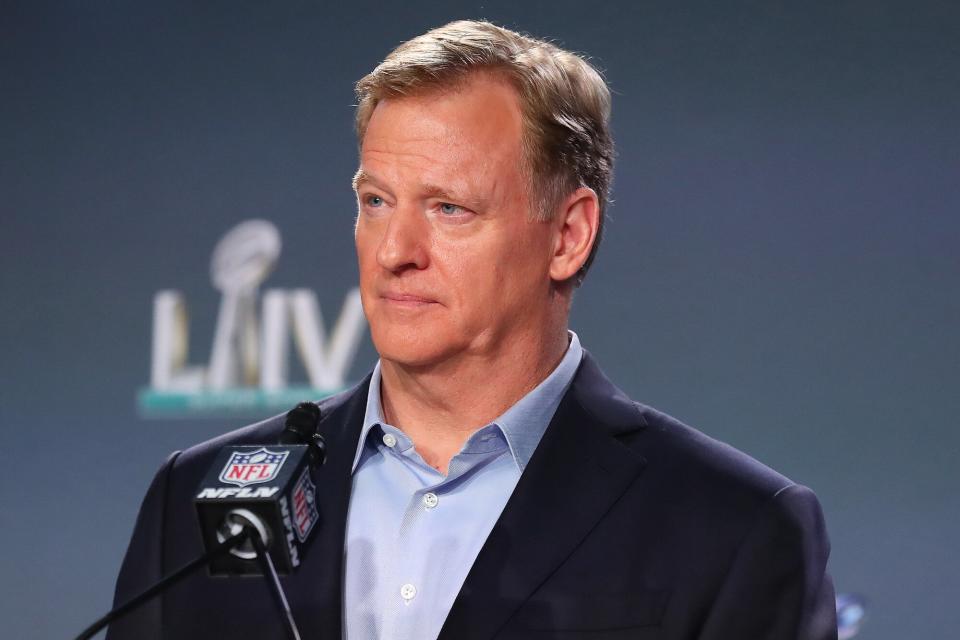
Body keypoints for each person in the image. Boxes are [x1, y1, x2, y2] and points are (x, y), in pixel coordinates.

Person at [108, 20, 837, 640]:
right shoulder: (196, 498)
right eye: (376, 201)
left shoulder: (730, 531)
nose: (395, 252)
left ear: (568, 235)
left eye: (449, 208)